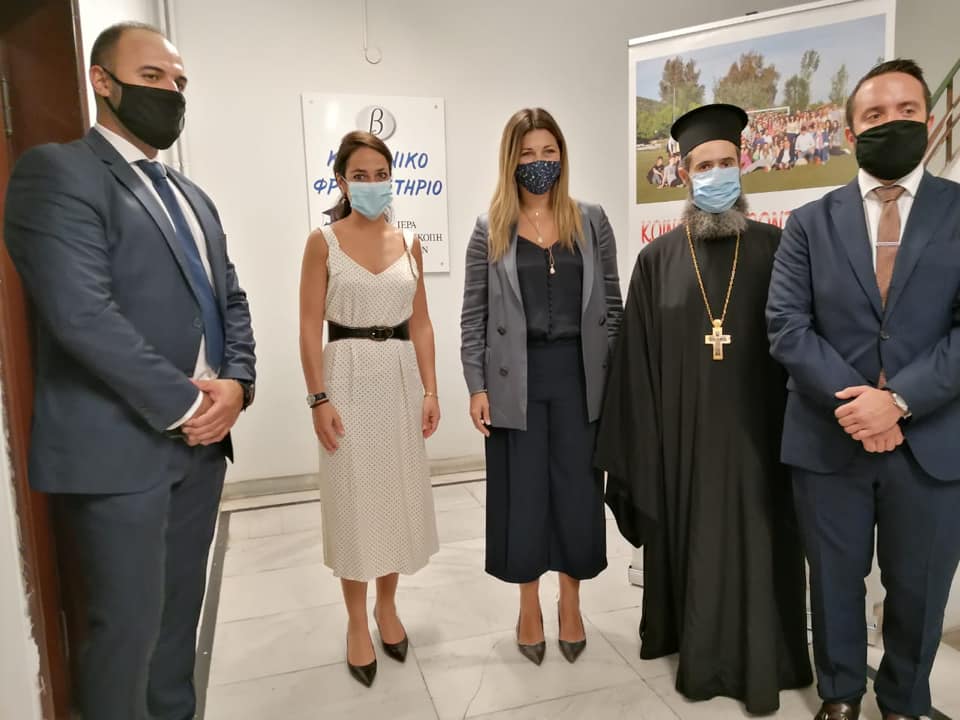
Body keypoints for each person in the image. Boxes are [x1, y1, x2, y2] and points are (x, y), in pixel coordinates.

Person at [2, 22, 255, 720]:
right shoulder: (58, 173)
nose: (171, 92)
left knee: (177, 624)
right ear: (102, 81)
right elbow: (82, 315)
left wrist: (237, 386)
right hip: (120, 454)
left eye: (179, 82)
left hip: (202, 452)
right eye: (152, 77)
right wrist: (190, 405)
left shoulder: (191, 196)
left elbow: (230, 299)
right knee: (126, 633)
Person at [595, 103, 813, 714]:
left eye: (726, 162)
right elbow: (634, 367)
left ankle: (772, 655)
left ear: (742, 166)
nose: (716, 174)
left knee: (762, 542)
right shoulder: (657, 261)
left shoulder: (777, 248)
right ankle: (693, 645)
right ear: (684, 174)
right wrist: (643, 451)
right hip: (683, 445)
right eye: (703, 165)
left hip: (761, 438)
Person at [767, 59, 960, 720]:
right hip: (829, 437)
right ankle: (841, 695)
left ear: (929, 121)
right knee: (833, 581)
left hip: (931, 440)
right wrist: (861, 407)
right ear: (851, 133)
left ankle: (904, 700)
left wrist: (898, 401)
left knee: (920, 586)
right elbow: (787, 326)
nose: (891, 123)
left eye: (907, 110)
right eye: (874, 115)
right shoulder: (808, 222)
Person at [460, 107, 622, 666]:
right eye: (527, 153)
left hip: (580, 380)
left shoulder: (591, 221)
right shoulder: (489, 228)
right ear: (511, 161)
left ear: (562, 156)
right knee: (523, 497)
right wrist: (476, 386)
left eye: (548, 151)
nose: (539, 162)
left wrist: (617, 382)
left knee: (578, 494)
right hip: (515, 382)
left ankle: (570, 602)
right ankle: (528, 604)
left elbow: (613, 305)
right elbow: (474, 316)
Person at [299, 130, 441, 688]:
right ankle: (357, 621)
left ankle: (387, 605)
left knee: (395, 497)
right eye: (360, 175)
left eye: (381, 174)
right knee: (354, 502)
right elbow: (308, 325)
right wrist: (318, 397)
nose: (373, 184)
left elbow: (421, 322)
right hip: (346, 377)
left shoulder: (409, 242)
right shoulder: (322, 242)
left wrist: (431, 390)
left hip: (399, 376)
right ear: (341, 180)